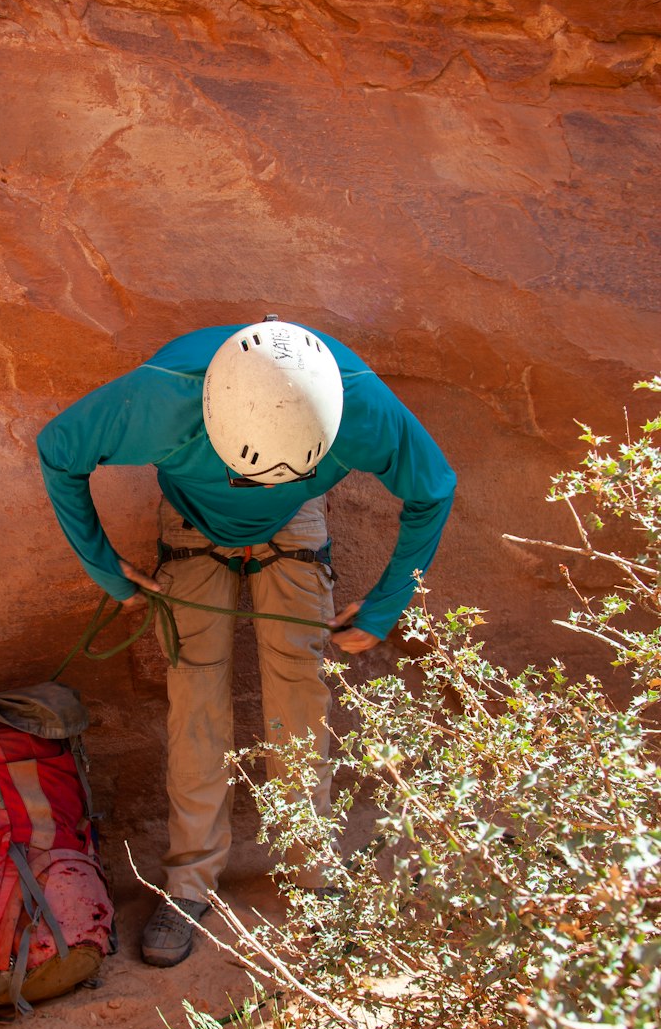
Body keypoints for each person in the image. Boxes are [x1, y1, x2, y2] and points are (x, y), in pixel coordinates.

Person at [37, 317, 456, 967]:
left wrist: (386, 606)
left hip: (296, 522)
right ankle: (187, 887)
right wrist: (104, 565)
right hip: (191, 517)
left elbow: (434, 486)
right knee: (195, 698)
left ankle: (314, 880)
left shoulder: (358, 404)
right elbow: (59, 448)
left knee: (299, 697)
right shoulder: (165, 395)